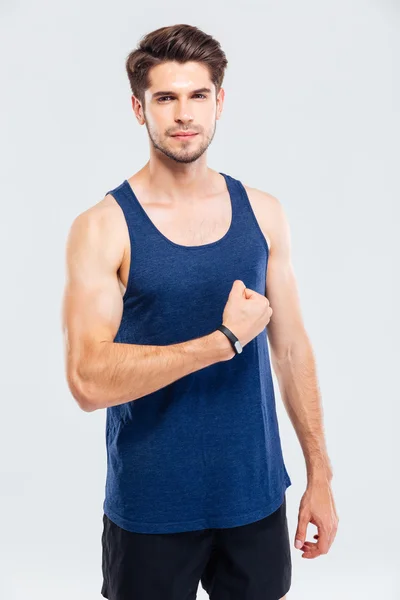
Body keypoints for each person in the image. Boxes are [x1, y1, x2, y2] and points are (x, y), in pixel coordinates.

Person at [62, 23, 339, 600]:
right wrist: (223, 341)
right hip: (152, 507)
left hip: (255, 497)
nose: (183, 114)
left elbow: (290, 350)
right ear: (139, 108)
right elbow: (87, 381)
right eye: (165, 97)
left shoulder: (263, 213)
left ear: (220, 101)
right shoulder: (103, 227)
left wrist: (321, 473)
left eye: (197, 95)